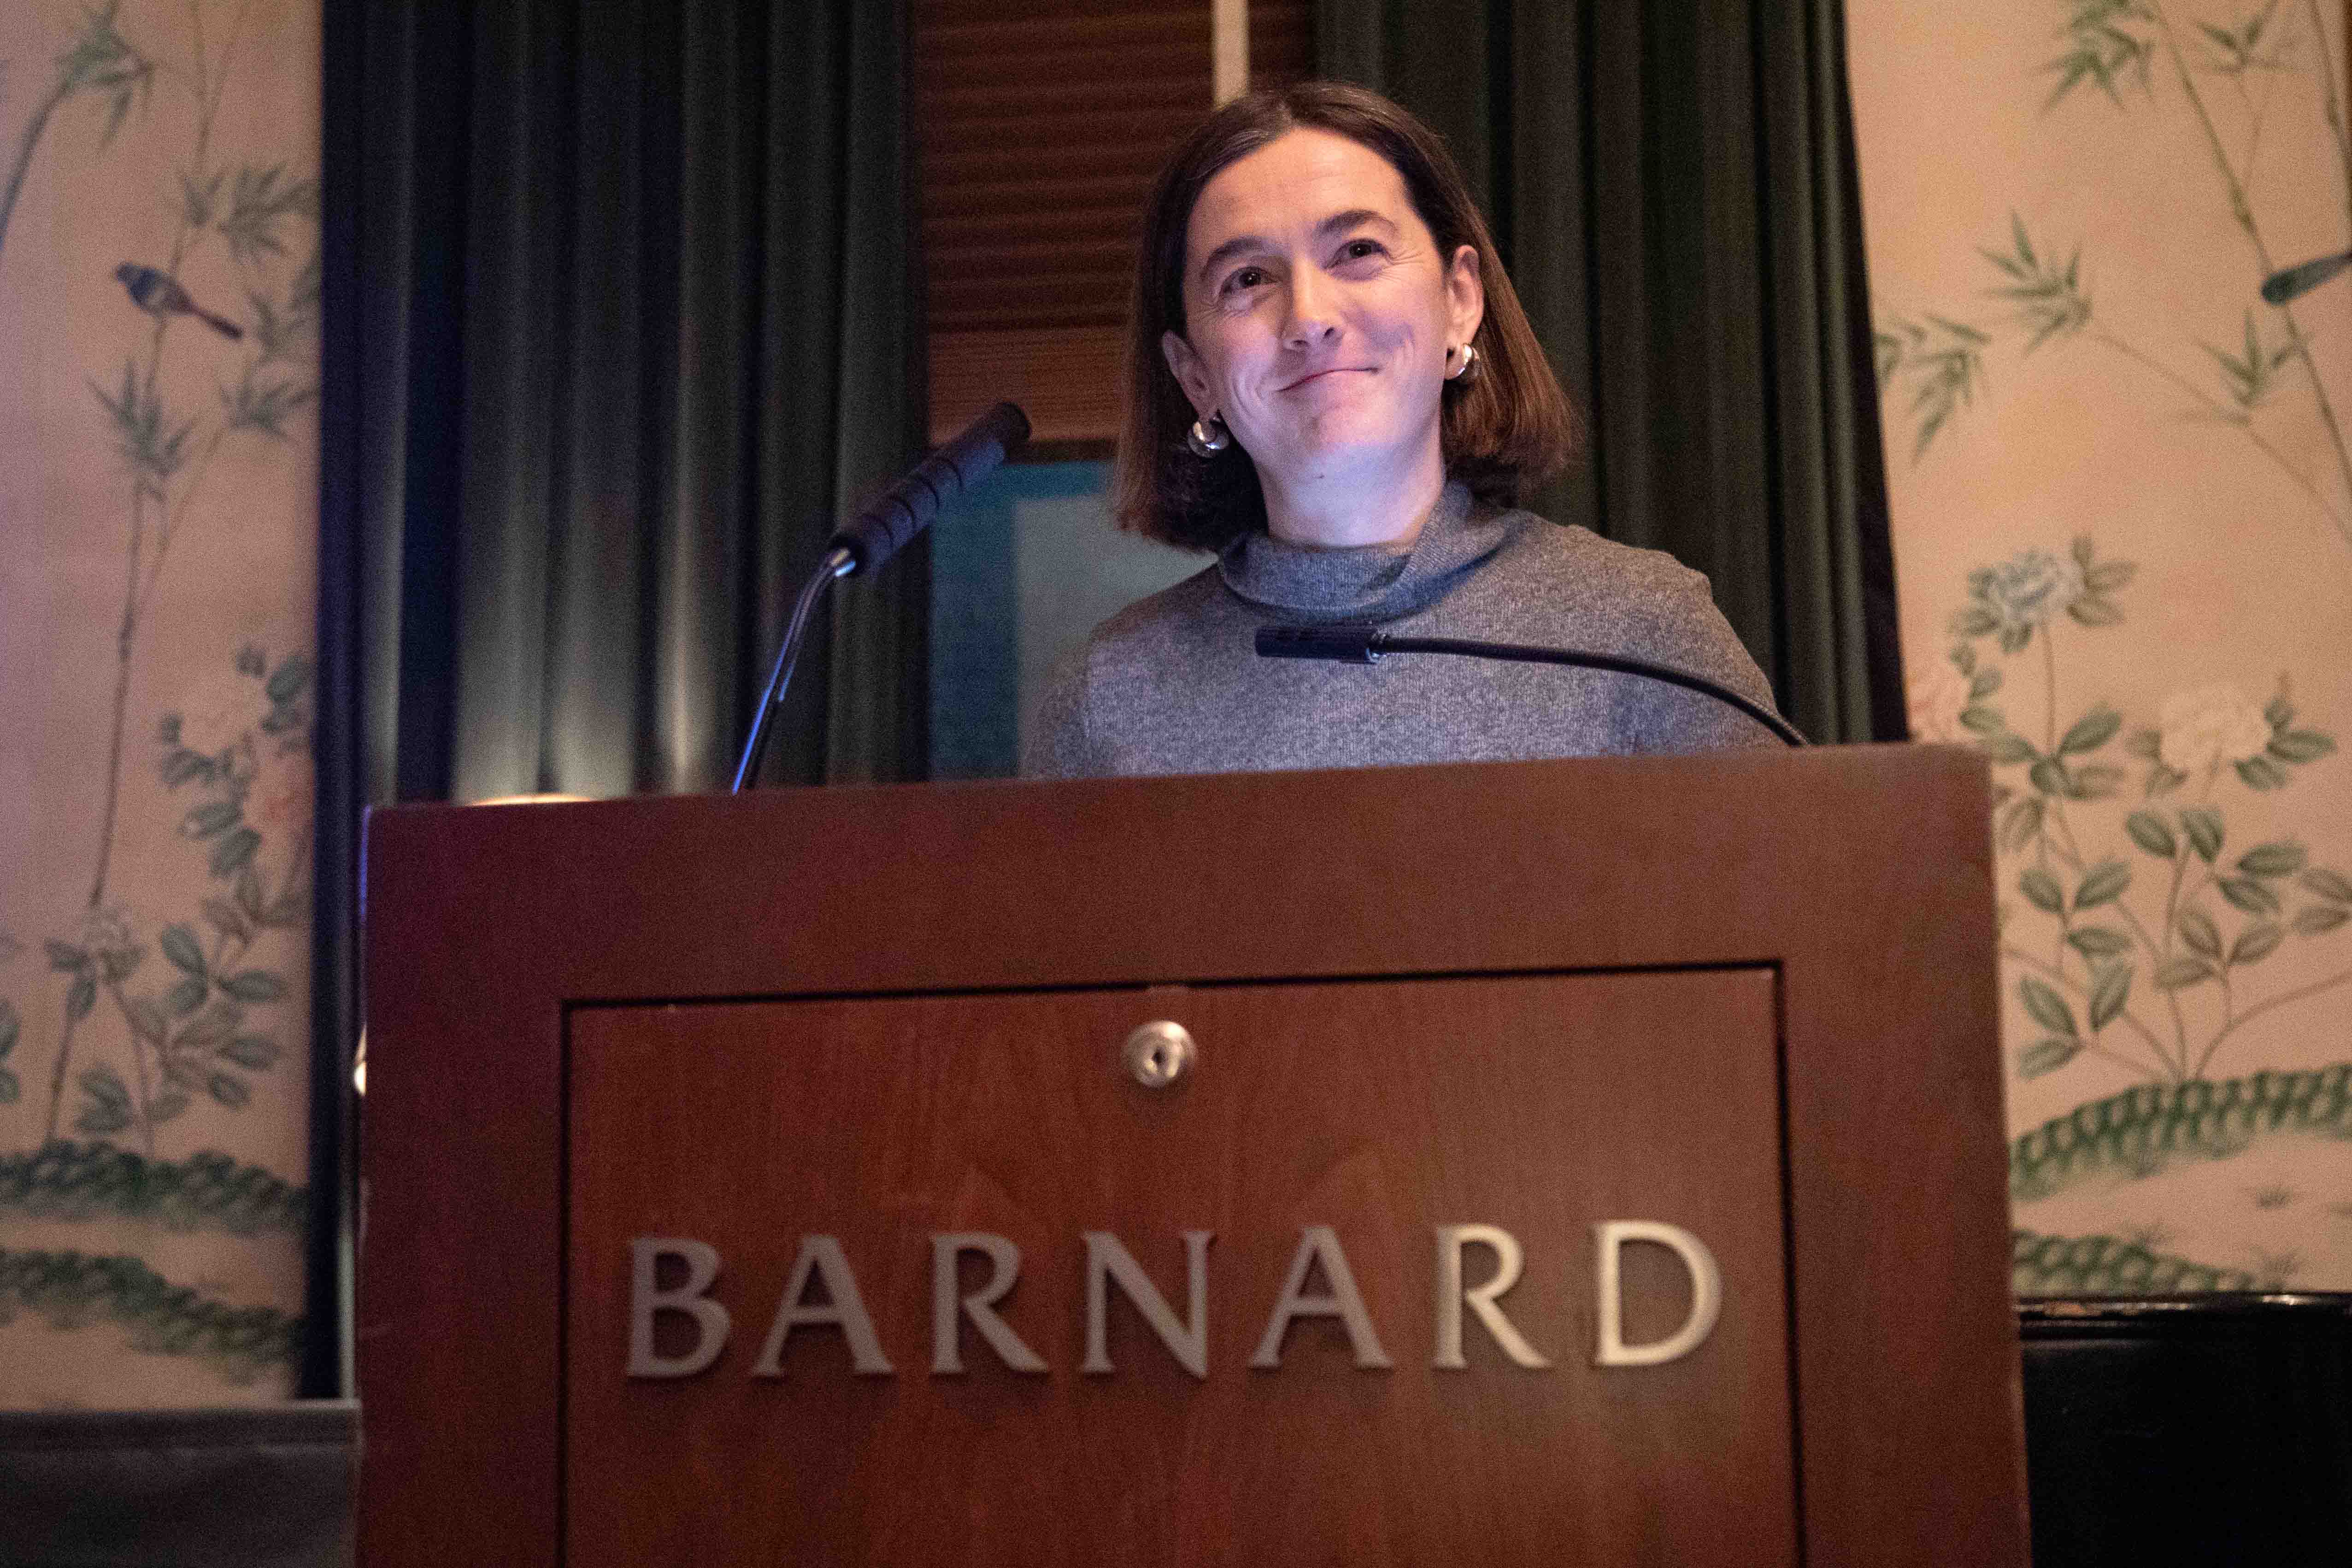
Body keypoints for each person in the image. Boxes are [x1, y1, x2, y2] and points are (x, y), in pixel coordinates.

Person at [1023, 82, 1783, 779]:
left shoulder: (1643, 636)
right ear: (1195, 376)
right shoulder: (1110, 699)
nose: (1310, 318)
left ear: (1459, 300)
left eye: (1357, 252)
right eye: (1248, 280)